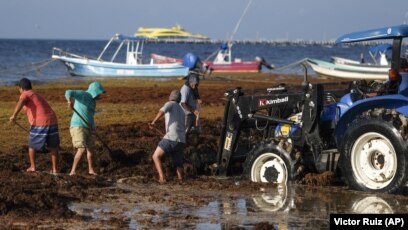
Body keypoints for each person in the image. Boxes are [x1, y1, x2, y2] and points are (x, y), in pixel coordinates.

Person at [9, 78, 60, 174]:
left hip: (40, 122)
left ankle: (33, 167)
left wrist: (14, 115)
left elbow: (22, 101)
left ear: (21, 88)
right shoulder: (36, 94)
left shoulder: (25, 94)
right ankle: (54, 169)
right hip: (53, 119)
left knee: (31, 145)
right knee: (54, 146)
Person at [65, 81, 105, 176]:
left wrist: (93, 127)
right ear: (95, 91)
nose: (100, 95)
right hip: (78, 126)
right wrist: (69, 100)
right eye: (99, 93)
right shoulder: (84, 94)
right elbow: (68, 92)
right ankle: (72, 171)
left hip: (88, 127)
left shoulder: (93, 102)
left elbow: (90, 116)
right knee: (82, 149)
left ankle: (91, 170)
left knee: (91, 149)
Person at [149, 90, 186, 184]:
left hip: (171, 137)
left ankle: (162, 178)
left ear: (171, 97)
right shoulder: (182, 110)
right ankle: (181, 180)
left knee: (156, 156)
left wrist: (154, 122)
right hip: (181, 140)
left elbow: (162, 111)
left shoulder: (170, 103)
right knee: (178, 163)